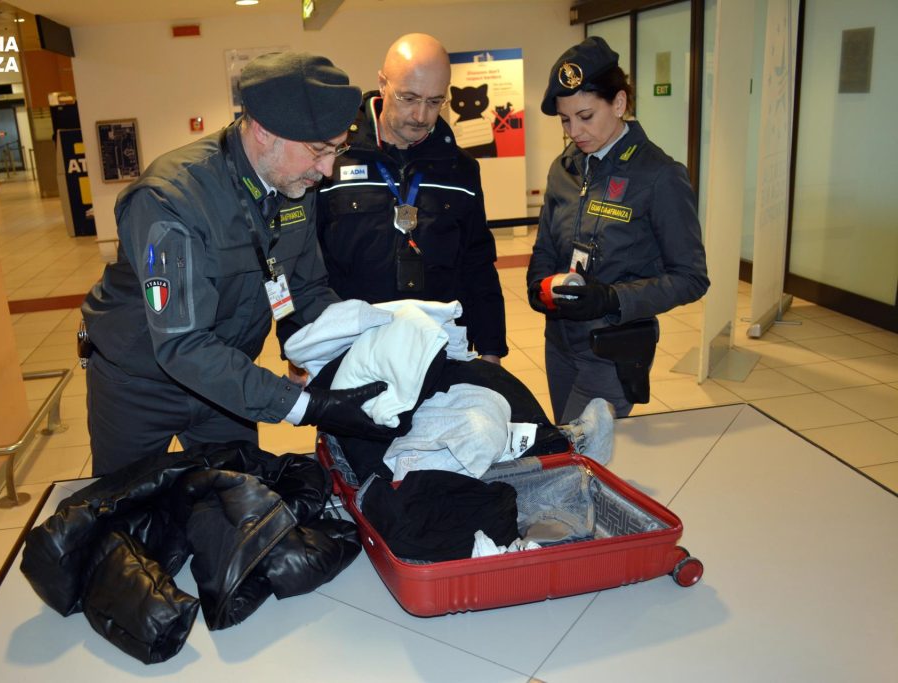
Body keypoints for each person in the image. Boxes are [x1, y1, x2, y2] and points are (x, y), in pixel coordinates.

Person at [81, 52, 396, 475]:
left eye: (337, 149)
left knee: (236, 499)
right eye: (318, 150)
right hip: (139, 386)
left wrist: (367, 339)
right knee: (126, 503)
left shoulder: (295, 184)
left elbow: (304, 290)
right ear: (264, 130)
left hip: (227, 382)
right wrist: (303, 406)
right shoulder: (169, 198)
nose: (327, 170)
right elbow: (182, 345)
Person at [527, 36, 709, 423]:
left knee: (583, 448)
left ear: (620, 103)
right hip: (560, 342)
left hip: (612, 347)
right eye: (565, 120)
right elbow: (545, 246)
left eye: (585, 116)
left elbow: (691, 278)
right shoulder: (565, 168)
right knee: (570, 441)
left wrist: (611, 299)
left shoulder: (659, 176)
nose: (574, 131)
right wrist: (537, 285)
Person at [315, 33, 507, 364]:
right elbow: (307, 264)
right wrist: (300, 347)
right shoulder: (332, 159)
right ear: (382, 83)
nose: (420, 116)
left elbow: (477, 262)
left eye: (434, 102)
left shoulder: (460, 169)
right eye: (409, 98)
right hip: (351, 348)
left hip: (437, 346)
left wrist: (491, 349)